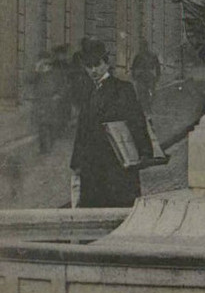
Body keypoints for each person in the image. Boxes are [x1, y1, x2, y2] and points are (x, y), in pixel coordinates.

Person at [71, 38, 152, 208]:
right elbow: (82, 129)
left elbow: (137, 121)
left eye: (96, 64)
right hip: (91, 165)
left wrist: (144, 152)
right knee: (93, 210)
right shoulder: (88, 91)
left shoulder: (122, 89)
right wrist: (77, 162)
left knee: (118, 208)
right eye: (88, 66)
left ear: (107, 64)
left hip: (116, 163)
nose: (93, 70)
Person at [28, 54, 63, 153]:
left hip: (52, 103)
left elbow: (62, 86)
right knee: (42, 125)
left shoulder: (55, 73)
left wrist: (58, 95)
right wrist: (36, 69)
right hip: (40, 102)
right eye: (43, 63)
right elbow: (29, 80)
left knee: (51, 125)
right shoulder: (38, 74)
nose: (45, 65)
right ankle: (44, 148)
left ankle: (50, 144)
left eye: (46, 63)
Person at [130, 39, 161, 113]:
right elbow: (134, 67)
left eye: (143, 46)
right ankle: (145, 109)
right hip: (143, 77)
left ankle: (148, 108)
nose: (142, 48)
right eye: (142, 46)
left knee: (149, 93)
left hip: (147, 77)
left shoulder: (150, 56)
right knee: (143, 94)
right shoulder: (139, 56)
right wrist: (134, 76)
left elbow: (157, 67)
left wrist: (157, 76)